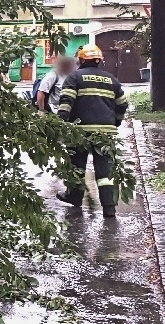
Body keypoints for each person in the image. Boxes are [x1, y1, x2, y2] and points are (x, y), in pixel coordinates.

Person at [55, 44, 129, 217]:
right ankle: (109, 207)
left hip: (78, 132)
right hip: (105, 133)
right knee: (104, 171)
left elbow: (66, 103)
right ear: (99, 61)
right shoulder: (111, 80)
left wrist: (59, 125)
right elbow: (122, 104)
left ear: (81, 60)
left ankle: (74, 197)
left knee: (77, 167)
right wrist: (116, 123)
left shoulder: (74, 77)